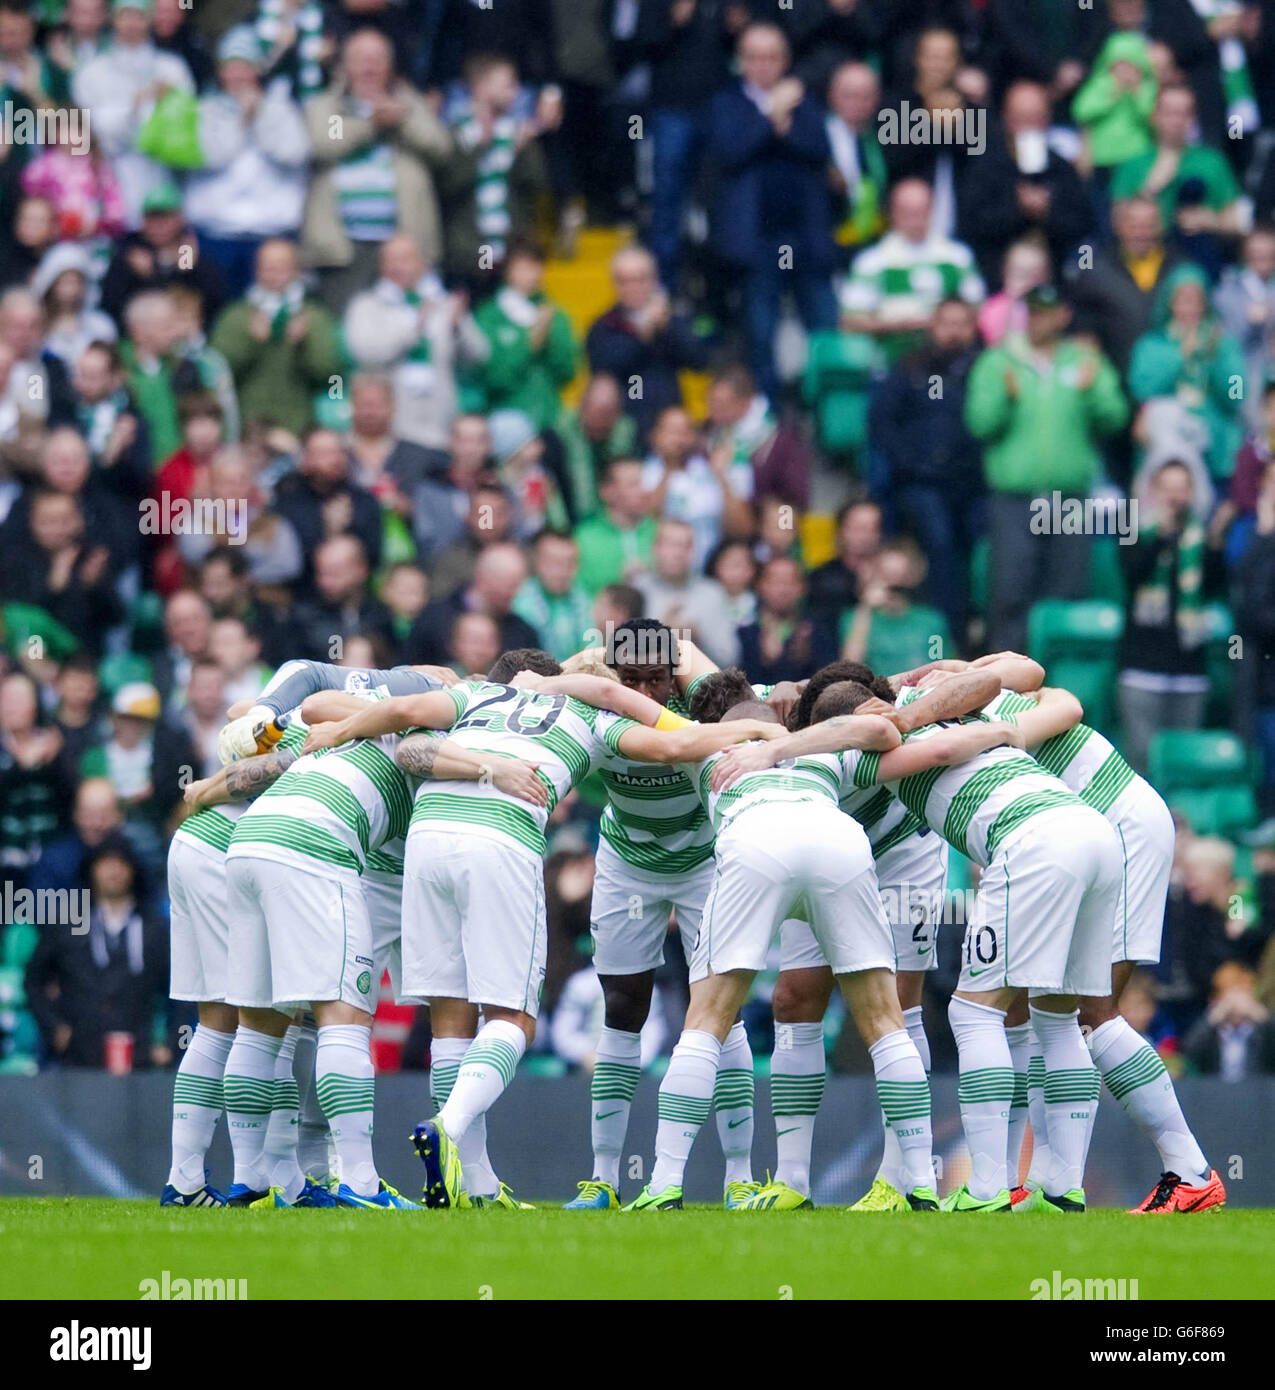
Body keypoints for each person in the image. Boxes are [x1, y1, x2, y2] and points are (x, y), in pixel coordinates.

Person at [298, 651, 784, 1211]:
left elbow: (403, 716)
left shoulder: (479, 697)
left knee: (450, 1017)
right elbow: (675, 744)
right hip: (500, 838)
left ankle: (472, 1188)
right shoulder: (596, 721)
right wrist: (757, 729)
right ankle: (445, 1127)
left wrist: (340, 727)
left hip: (426, 839)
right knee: (513, 1020)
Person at [965, 282, 1128, 652]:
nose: (1036, 319)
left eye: (1044, 312)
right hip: (1014, 497)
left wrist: (1091, 395)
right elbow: (978, 423)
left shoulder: (1085, 359)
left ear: (1063, 316)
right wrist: (1005, 400)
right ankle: (1006, 686)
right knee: (1009, 592)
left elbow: (1115, 417)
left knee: (1066, 591)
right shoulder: (998, 360)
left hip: (1068, 497)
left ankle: (1058, 690)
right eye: (1031, 311)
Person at [705, 22, 837, 397]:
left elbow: (818, 148)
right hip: (756, 240)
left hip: (804, 237)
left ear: (785, 60)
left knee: (823, 331)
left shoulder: (805, 98)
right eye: (755, 57)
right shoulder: (725, 102)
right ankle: (773, 425)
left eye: (771, 57)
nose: (763, 65)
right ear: (741, 61)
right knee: (761, 337)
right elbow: (731, 151)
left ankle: (823, 414)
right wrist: (772, 117)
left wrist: (780, 123)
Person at [302, 27, 452, 313]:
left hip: (402, 246)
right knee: (346, 330)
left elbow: (440, 147)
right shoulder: (329, 106)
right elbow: (325, 142)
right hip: (343, 250)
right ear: (344, 65)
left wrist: (403, 120)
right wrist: (371, 124)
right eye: (360, 59)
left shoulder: (409, 103)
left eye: (378, 59)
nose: (369, 68)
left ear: (391, 66)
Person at [871, 297, 985, 642]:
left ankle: (980, 627)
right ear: (932, 327)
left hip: (973, 484)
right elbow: (881, 423)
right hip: (920, 482)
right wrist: (914, 463)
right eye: (947, 323)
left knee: (986, 545)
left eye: (962, 323)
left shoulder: (984, 369)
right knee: (940, 541)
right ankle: (948, 634)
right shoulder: (910, 368)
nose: (954, 332)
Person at [183, 24, 311, 298]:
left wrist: (260, 119)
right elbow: (210, 158)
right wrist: (242, 122)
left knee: (273, 308)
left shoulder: (281, 108)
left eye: (245, 66)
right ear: (220, 71)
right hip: (216, 236)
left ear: (257, 70)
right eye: (231, 66)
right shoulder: (204, 109)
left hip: (272, 235)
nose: (238, 75)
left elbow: (294, 154)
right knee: (218, 307)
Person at [1118, 458, 1226, 773]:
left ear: (1192, 493)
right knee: (1140, 765)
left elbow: (1215, 588)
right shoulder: (1135, 533)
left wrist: (1216, 543)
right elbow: (1131, 575)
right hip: (1142, 669)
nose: (1174, 497)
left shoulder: (1201, 540)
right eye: (1168, 489)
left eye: (1182, 489)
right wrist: (1161, 538)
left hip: (1189, 670)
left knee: (1184, 768)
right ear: (1154, 491)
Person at [25, 837, 168, 1068]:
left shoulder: (154, 927)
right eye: (105, 863)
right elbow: (33, 979)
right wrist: (54, 1028)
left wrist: (171, 1045)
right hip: (79, 1053)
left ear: (133, 870)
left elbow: (182, 989)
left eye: (121, 863)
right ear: (91, 870)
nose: (113, 871)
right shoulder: (68, 923)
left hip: (140, 1054)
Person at [71, 0, 195, 227]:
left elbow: (183, 131)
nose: (131, 23)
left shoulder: (172, 67)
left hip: (163, 176)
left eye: (138, 15)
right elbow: (101, 131)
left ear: (149, 19)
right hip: (114, 178)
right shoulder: (91, 72)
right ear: (112, 19)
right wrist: (137, 106)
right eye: (124, 15)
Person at [840, 178, 986, 366]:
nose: (916, 221)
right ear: (893, 214)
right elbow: (851, 322)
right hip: (891, 362)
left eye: (922, 212)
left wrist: (946, 324)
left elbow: (979, 311)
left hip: (953, 362)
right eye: (908, 213)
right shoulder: (872, 262)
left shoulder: (958, 257)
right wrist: (904, 325)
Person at [211, 238, 342, 439]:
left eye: (282, 269)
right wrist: (249, 342)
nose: (274, 277)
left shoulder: (314, 316)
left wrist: (305, 344)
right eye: (268, 269)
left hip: (301, 429)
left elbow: (332, 376)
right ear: (256, 271)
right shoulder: (236, 316)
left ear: (296, 272)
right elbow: (217, 374)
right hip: (249, 430)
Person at [1129, 263, 1246, 482]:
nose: (1189, 308)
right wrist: (1179, 356)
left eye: (1196, 301)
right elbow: (1141, 390)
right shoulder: (1152, 345)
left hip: (1214, 450)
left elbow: (1237, 394)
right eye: (1182, 300)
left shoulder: (1223, 344)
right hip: (1165, 452)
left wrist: (1219, 360)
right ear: (1170, 303)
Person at [585, 245, 708, 442]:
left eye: (640, 280)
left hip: (669, 430)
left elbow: (699, 360)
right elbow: (605, 367)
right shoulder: (604, 325)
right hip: (622, 431)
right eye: (625, 281)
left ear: (654, 279)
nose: (633, 288)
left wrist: (668, 327)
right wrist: (642, 334)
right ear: (615, 284)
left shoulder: (670, 321)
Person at [473, 239, 576, 432]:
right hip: (506, 420)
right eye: (524, 268)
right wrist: (528, 344)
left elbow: (567, 371)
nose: (533, 275)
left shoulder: (553, 313)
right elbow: (496, 377)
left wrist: (550, 340)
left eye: (537, 267)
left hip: (548, 419)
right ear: (508, 271)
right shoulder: (490, 316)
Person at [636, 517, 740, 667]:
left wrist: (696, 639)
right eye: (670, 544)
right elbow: (618, 654)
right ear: (655, 547)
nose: (678, 553)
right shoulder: (639, 589)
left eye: (685, 545)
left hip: (701, 687)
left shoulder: (712, 594)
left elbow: (730, 660)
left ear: (694, 551)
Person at [737, 555, 837, 686]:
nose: (783, 590)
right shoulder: (745, 631)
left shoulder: (816, 632)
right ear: (760, 586)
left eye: (790, 582)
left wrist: (803, 660)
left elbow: (829, 682)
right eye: (776, 582)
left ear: (802, 588)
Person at [572, 457, 657, 596]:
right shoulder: (583, 539)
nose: (643, 491)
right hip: (608, 617)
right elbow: (579, 595)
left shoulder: (658, 531)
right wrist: (619, 584)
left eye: (645, 483)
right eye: (633, 484)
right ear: (607, 491)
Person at [511, 529, 593, 663]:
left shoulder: (583, 599)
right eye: (555, 563)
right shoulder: (518, 602)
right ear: (537, 561)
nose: (563, 572)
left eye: (570, 564)